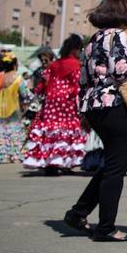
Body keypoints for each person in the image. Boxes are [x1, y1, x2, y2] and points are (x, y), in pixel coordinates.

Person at [64, 0, 127, 242]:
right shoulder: (118, 36)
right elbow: (121, 70)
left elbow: (83, 79)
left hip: (93, 106)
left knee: (110, 164)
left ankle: (78, 213)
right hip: (113, 105)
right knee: (117, 168)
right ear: (121, 14)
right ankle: (106, 227)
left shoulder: (92, 41)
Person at [22, 34, 87, 173]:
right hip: (67, 101)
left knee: (51, 130)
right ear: (75, 49)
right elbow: (78, 83)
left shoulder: (54, 64)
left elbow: (43, 82)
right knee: (66, 130)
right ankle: (65, 162)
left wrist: (37, 93)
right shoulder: (75, 64)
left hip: (51, 101)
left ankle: (50, 162)